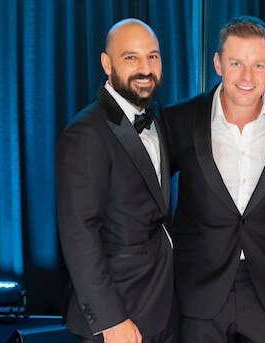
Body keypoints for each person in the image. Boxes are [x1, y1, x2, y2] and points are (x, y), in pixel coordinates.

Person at [161, 16, 265, 342]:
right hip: (199, 287)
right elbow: (150, 187)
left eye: (258, 65)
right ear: (218, 63)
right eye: (236, 63)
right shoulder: (179, 119)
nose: (246, 76)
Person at [57, 19, 176, 343]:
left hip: (161, 306)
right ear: (106, 64)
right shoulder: (86, 133)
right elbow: (78, 233)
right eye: (131, 57)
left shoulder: (158, 116)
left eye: (152, 56)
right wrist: (111, 320)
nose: (145, 68)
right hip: (120, 317)